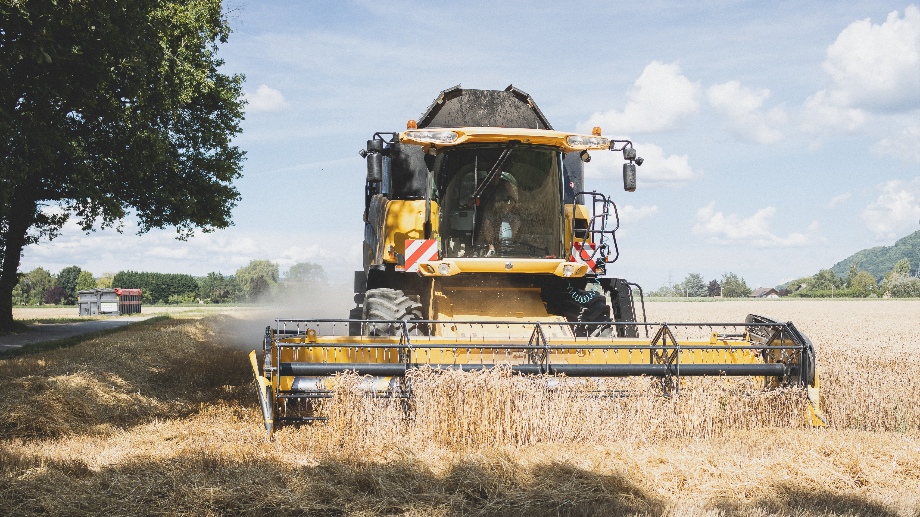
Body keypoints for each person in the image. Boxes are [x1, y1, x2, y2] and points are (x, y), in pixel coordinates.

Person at [478, 173, 521, 256]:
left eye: (498, 175)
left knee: (516, 221)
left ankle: (509, 244)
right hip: (489, 213)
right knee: (487, 221)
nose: (496, 177)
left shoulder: (506, 184)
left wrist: (509, 207)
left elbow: (515, 201)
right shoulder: (482, 184)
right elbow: (475, 200)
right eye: (493, 175)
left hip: (505, 212)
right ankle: (491, 247)